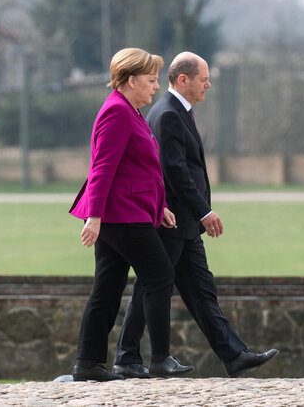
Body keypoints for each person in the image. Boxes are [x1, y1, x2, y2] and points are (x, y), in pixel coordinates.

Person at [112, 52, 279, 379]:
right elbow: (174, 171)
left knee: (201, 290)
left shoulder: (176, 111)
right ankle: (126, 357)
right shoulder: (169, 114)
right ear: (183, 79)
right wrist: (204, 210)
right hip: (173, 220)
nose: (209, 84)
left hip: (184, 224)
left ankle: (234, 355)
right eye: (203, 79)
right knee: (151, 286)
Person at [69, 47, 194, 382]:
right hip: (119, 214)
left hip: (128, 211)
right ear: (129, 80)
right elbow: (102, 169)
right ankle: (160, 359)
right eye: (151, 80)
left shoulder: (130, 110)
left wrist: (160, 207)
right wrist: (94, 216)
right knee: (159, 274)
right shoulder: (117, 113)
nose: (156, 86)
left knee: (108, 287)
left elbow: (139, 170)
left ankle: (88, 364)